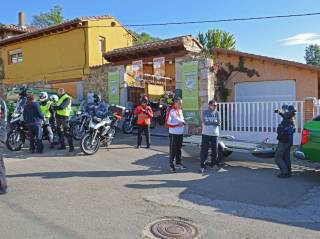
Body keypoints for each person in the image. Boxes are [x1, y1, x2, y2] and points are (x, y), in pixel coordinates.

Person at [274, 105, 296, 178]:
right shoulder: (291, 118)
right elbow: (283, 114)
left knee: (277, 157)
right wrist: (279, 112)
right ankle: (288, 172)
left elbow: (284, 115)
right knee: (286, 157)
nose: (284, 111)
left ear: (288, 112)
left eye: (285, 110)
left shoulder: (288, 118)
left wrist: (280, 112)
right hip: (288, 142)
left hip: (284, 141)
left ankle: (284, 172)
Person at [200, 100, 221, 173]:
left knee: (215, 151)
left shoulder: (217, 113)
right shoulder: (205, 112)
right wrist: (213, 122)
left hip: (215, 134)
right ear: (209, 105)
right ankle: (203, 165)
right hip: (206, 134)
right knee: (204, 150)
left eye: (216, 105)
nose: (215, 107)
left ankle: (213, 164)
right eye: (214, 105)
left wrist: (212, 122)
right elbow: (205, 122)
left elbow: (219, 123)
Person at [166, 96, 185, 173]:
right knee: (173, 150)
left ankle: (178, 163)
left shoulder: (180, 110)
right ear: (176, 102)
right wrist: (178, 124)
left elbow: (182, 118)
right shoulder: (170, 110)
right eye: (180, 103)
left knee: (179, 149)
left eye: (181, 103)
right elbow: (168, 123)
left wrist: (183, 122)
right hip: (174, 133)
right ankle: (171, 165)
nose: (181, 104)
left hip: (180, 132)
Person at [52, 88, 74, 152]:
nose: (59, 92)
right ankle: (63, 145)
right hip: (58, 116)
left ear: (63, 91)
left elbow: (62, 107)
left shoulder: (67, 98)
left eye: (60, 91)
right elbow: (57, 105)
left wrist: (54, 107)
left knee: (66, 132)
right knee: (59, 131)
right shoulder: (59, 97)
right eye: (59, 91)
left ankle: (71, 147)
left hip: (64, 117)